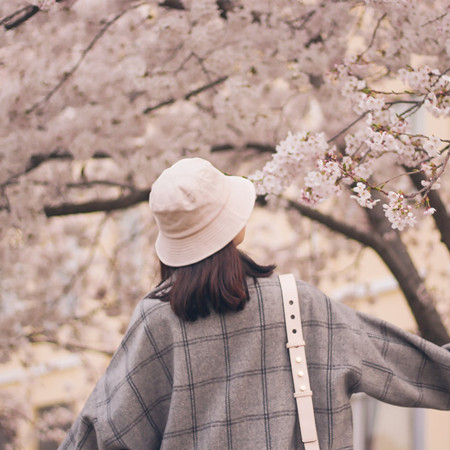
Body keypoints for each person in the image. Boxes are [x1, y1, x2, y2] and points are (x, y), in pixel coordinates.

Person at [60, 157, 450, 450]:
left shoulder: (156, 322)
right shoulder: (298, 303)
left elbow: (101, 432)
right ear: (235, 227)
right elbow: (412, 366)